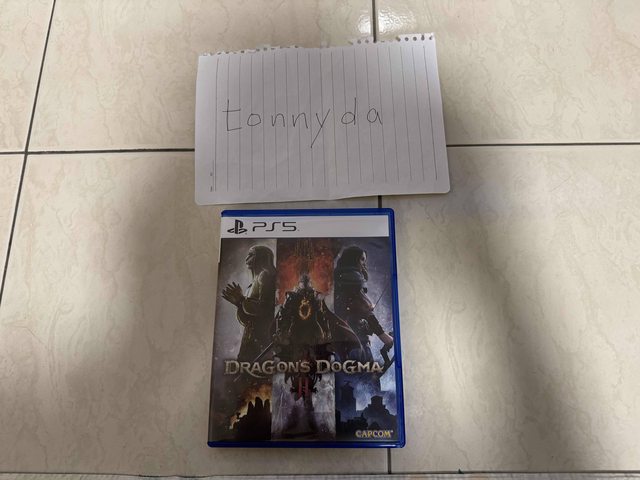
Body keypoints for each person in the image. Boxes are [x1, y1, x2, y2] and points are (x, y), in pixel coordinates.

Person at [333, 246, 393, 363]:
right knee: (363, 369)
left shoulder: (343, 276)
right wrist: (383, 336)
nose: (364, 264)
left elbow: (355, 305)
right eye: (362, 259)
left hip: (346, 336)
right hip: (355, 338)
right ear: (353, 260)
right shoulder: (351, 278)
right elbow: (364, 309)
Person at [221, 245, 276, 362]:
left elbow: (265, 309)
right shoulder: (252, 284)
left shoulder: (265, 276)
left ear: (261, 257)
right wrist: (238, 303)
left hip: (262, 339)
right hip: (251, 338)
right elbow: (247, 320)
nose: (247, 258)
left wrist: (241, 300)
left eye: (251, 255)